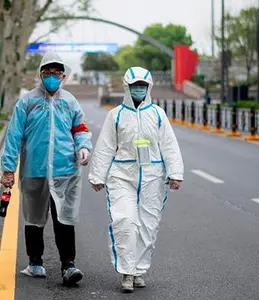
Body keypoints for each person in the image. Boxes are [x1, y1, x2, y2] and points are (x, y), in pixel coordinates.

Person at [88, 67, 184, 293]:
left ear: (148, 87)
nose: (139, 89)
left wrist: (175, 174)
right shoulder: (116, 115)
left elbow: (169, 145)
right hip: (122, 176)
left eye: (143, 85)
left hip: (153, 176)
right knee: (125, 222)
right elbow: (105, 147)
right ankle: (127, 272)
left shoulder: (158, 114)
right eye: (135, 86)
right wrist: (97, 176)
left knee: (148, 226)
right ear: (127, 88)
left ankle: (139, 270)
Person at [1, 51, 92, 286]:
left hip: (65, 171)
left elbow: (80, 128)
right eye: (47, 72)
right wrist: (8, 169)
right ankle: (34, 262)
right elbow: (13, 136)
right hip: (34, 170)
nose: (52, 77)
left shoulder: (70, 101)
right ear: (40, 74)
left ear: (63, 76)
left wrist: (83, 147)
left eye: (56, 73)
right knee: (34, 218)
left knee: (64, 219)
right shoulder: (28, 101)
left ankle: (68, 265)